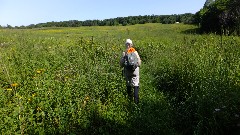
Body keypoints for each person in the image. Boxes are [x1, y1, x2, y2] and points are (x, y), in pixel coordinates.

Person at [120, 39, 141, 104]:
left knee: (128, 84)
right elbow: (139, 63)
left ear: (126, 45)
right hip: (135, 70)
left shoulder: (124, 53)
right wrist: (136, 66)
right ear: (131, 45)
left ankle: (129, 100)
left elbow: (121, 64)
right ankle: (136, 103)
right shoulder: (135, 52)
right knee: (136, 84)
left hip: (127, 71)